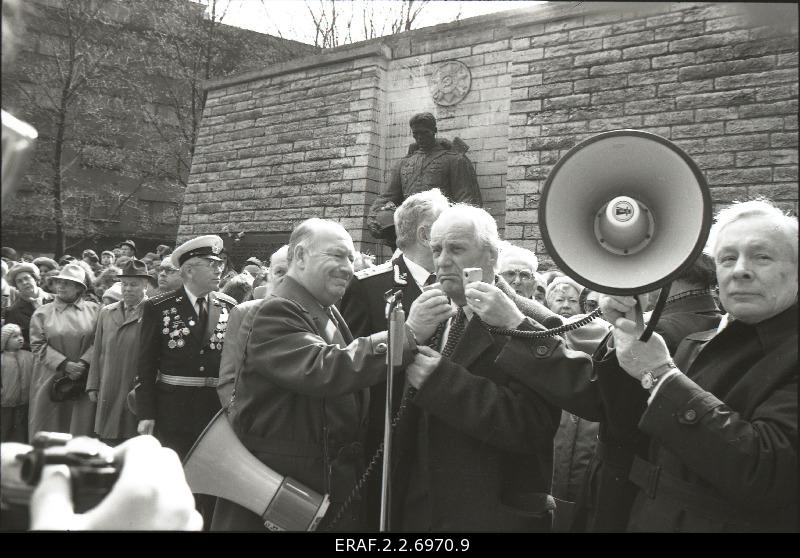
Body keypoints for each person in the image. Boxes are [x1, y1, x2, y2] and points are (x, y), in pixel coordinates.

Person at [494, 199, 796, 532]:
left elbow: (765, 470)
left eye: (762, 256)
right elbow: (625, 422)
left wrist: (662, 376)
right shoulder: (703, 341)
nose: (739, 269)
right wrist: (627, 338)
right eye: (727, 258)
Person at [211, 218, 417, 532]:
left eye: (350, 258)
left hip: (315, 482)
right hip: (286, 488)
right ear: (302, 256)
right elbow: (321, 368)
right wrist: (406, 334)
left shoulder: (322, 307)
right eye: (337, 256)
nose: (347, 267)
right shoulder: (275, 310)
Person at [391, 204, 563, 532]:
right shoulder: (432, 313)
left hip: (490, 515)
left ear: (491, 257)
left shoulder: (536, 321)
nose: (442, 261)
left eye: (456, 249)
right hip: (420, 511)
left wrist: (443, 383)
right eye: (437, 249)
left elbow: (533, 426)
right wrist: (408, 336)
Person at [340, 188, 449, 530]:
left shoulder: (456, 285)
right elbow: (351, 368)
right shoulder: (368, 287)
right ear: (425, 233)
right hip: (386, 436)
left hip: (445, 429)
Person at [134, 235, 237, 460]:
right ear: (189, 271)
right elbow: (146, 365)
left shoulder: (229, 306)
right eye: (211, 264)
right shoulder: (159, 307)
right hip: (172, 410)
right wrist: (146, 414)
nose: (218, 270)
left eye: (219, 264)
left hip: (214, 412)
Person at [368, 112, 482, 249]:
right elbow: (388, 196)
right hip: (408, 228)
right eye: (416, 134)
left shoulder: (454, 160)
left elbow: (466, 200)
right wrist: (373, 216)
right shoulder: (403, 163)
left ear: (434, 131)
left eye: (424, 133)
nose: (420, 138)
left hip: (440, 229)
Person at [28, 263, 100, 440]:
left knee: (79, 429)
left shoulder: (95, 310)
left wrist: (83, 364)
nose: (60, 286)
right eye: (58, 282)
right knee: (48, 429)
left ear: (78, 288)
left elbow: (100, 341)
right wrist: (65, 364)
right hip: (50, 378)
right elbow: (38, 345)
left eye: (67, 283)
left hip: (82, 379)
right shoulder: (42, 312)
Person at [87, 260, 155, 446]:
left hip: (134, 387)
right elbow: (98, 350)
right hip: (108, 385)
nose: (128, 289)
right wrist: (93, 384)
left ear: (145, 285)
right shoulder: (107, 313)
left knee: (131, 440)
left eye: (134, 284)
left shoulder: (154, 313)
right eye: (124, 284)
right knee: (107, 440)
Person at [3, 262, 53, 350]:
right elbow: (15, 342)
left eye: (27, 278)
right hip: (35, 357)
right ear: (16, 286)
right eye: (19, 281)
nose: (24, 282)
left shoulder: (56, 300)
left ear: (36, 279)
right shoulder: (13, 311)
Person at [1, 323, 33, 443]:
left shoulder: (29, 356)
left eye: (20, 335)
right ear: (5, 340)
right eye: (14, 336)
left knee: (22, 427)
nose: (20, 338)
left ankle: (22, 451)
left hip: (25, 402)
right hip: (5, 403)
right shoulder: (2, 359)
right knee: (4, 427)